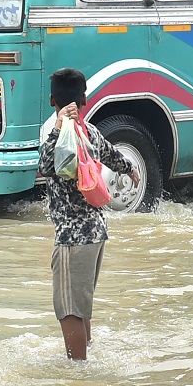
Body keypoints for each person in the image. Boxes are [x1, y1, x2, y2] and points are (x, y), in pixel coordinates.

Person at [37, 68, 140, 360]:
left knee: (69, 309)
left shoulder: (63, 135)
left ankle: (78, 373)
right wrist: (131, 171)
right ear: (85, 98)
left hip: (73, 237)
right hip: (96, 231)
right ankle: (88, 356)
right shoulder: (90, 131)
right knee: (81, 304)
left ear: (51, 100)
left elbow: (45, 166)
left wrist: (58, 127)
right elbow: (113, 155)